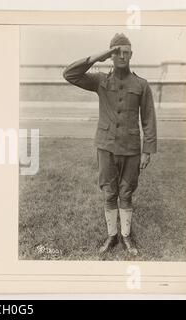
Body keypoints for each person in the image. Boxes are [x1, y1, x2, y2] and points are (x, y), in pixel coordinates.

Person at [63, 33, 157, 256]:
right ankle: (111, 235)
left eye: (126, 52)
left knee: (126, 193)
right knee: (109, 192)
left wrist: (147, 151)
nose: (122, 56)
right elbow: (69, 74)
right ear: (111, 55)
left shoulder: (141, 85)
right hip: (105, 147)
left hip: (131, 149)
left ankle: (125, 237)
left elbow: (149, 119)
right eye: (117, 52)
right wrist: (99, 56)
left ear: (131, 55)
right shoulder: (100, 81)